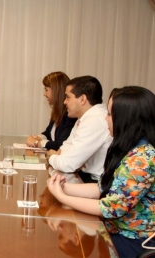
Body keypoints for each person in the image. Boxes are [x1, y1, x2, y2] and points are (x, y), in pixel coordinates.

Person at [48, 86, 155, 257]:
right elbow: (103, 187)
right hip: (114, 231)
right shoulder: (130, 148)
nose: (106, 119)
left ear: (127, 119)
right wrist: (63, 186)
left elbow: (110, 208)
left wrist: (63, 197)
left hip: (133, 240)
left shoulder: (141, 159)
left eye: (110, 114)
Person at [47, 76, 112, 183]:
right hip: (83, 177)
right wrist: (61, 157)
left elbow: (67, 164)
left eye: (68, 97)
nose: (64, 102)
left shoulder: (95, 120)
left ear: (82, 99)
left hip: (95, 183)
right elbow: (65, 148)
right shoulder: (85, 117)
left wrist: (50, 156)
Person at [26, 72, 76, 150]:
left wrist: (38, 143)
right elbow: (48, 133)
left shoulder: (70, 114)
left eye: (46, 90)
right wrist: (37, 137)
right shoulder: (57, 110)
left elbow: (61, 144)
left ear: (56, 91)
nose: (44, 94)